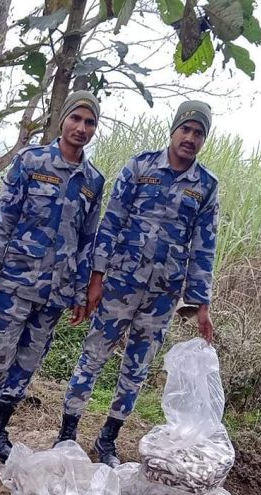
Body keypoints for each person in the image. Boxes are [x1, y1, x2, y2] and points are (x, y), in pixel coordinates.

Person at [55, 100, 220, 466]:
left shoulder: (205, 187)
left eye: (198, 133)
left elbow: (204, 247)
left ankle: (108, 440)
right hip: (121, 285)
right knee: (93, 357)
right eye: (186, 130)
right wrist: (96, 279)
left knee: (136, 368)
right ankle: (67, 434)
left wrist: (201, 304)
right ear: (173, 130)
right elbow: (111, 223)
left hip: (162, 294)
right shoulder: (140, 167)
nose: (190, 138)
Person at [0, 91, 106, 473]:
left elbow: (88, 241)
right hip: (16, 282)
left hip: (55, 294)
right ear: (63, 121)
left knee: (26, 365)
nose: (82, 129)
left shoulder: (93, 180)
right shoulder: (32, 161)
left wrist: (78, 292)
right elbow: (3, 219)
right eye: (76, 119)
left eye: (90, 123)